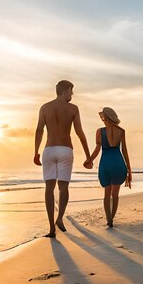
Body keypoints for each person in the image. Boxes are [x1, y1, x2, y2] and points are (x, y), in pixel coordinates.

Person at [34, 80, 92, 238]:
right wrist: (88, 156)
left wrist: (36, 152)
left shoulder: (45, 108)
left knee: (49, 188)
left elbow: (39, 130)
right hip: (66, 149)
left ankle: (51, 228)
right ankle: (59, 218)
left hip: (49, 149)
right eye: (71, 91)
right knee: (63, 187)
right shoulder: (73, 109)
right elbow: (80, 133)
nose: (72, 94)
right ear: (65, 90)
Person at [85, 107, 131, 228]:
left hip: (105, 163)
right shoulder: (121, 131)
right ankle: (112, 219)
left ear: (105, 117)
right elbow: (124, 151)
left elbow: (97, 150)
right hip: (118, 163)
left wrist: (89, 160)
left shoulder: (99, 132)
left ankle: (108, 219)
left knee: (107, 194)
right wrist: (129, 170)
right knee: (115, 194)